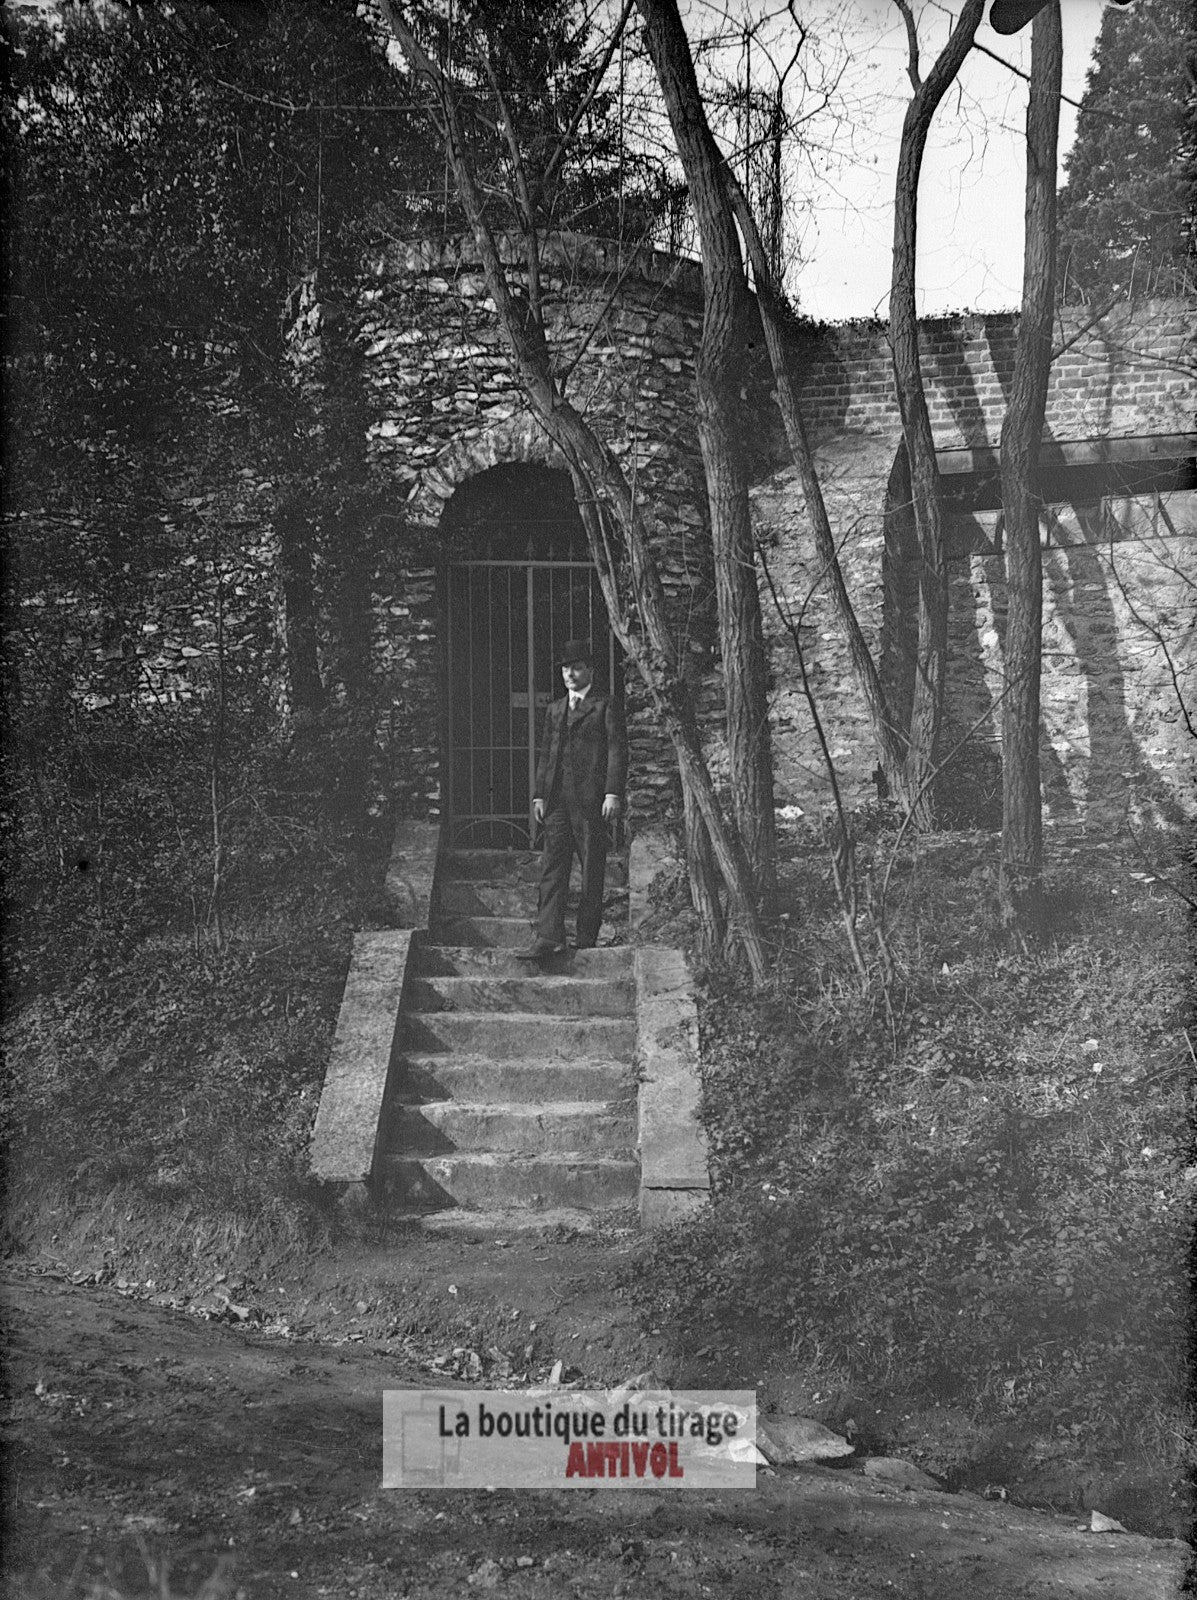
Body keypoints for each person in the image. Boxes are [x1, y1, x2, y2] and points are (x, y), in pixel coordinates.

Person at [517, 639, 627, 959]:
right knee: (553, 867)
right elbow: (547, 755)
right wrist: (540, 795)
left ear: (589, 670)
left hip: (591, 801)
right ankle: (549, 936)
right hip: (556, 802)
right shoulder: (555, 709)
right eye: (566, 668)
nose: (570, 674)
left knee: (591, 868)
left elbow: (617, 751)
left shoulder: (605, 705)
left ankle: (586, 938)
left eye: (577, 668)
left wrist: (612, 793)